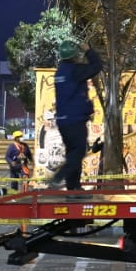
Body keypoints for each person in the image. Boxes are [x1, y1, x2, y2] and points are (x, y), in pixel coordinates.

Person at [49, 40, 103, 191]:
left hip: (63, 121)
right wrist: (88, 51)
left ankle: (74, 187)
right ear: (74, 56)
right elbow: (96, 66)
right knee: (78, 153)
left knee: (73, 154)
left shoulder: (60, 72)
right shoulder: (75, 70)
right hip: (75, 120)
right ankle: (59, 177)